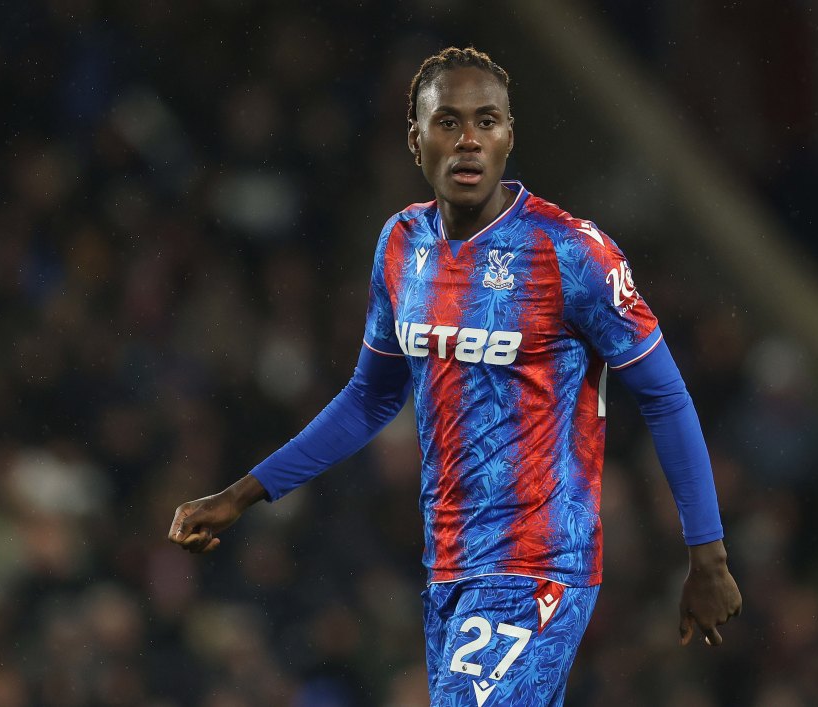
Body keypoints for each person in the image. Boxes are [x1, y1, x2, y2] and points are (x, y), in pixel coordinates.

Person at [168, 46, 742, 706]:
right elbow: (371, 396)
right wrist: (242, 494)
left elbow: (665, 395)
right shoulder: (400, 245)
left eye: (487, 120)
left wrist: (709, 555)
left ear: (509, 136)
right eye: (448, 122)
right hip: (448, 566)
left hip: (539, 561)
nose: (469, 139)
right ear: (416, 139)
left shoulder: (571, 251)